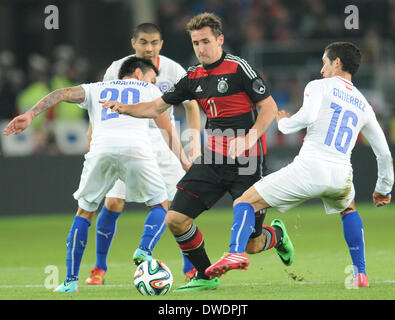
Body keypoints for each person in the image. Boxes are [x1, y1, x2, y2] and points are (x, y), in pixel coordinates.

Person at [101, 12, 294, 292]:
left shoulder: (239, 67)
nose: (201, 48)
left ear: (220, 40)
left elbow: (269, 107)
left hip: (246, 161)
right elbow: (156, 107)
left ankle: (275, 235)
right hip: (213, 158)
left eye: (206, 41)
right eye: (195, 43)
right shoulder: (192, 76)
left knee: (253, 244)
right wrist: (124, 108)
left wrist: (251, 137)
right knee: (175, 219)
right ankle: (204, 275)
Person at [205, 42, 394, 287]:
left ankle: (235, 252)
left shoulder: (319, 86)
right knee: (348, 209)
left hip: (310, 168)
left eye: (325, 63)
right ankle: (360, 274)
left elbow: (307, 117)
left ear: (337, 63)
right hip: (341, 175)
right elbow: (384, 152)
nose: (322, 69)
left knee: (244, 201)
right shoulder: (364, 104)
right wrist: (384, 187)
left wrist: (283, 122)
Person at [3, 56, 191, 293]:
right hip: (137, 150)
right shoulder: (149, 90)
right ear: (137, 73)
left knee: (85, 212)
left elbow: (60, 93)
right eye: (152, 77)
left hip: (102, 151)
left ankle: (71, 281)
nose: (154, 81)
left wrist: (30, 115)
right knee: (160, 205)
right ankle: (144, 249)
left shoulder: (96, 88)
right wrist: (184, 161)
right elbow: (166, 128)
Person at [85, 23, 201, 286]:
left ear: (161, 44)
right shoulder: (117, 68)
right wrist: (93, 133)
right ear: (134, 44)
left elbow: (192, 106)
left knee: (179, 205)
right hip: (125, 135)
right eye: (144, 42)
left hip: (163, 138)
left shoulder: (173, 69)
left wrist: (194, 143)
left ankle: (189, 267)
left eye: (154, 43)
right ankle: (99, 268)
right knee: (113, 203)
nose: (149, 48)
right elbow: (99, 101)